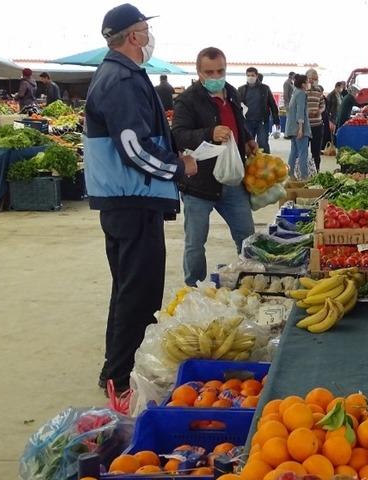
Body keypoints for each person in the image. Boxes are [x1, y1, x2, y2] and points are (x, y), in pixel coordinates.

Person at [83, 3, 198, 394]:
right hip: (131, 200)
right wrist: (179, 167)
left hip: (124, 200)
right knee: (138, 292)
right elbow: (134, 147)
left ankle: (114, 371)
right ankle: (120, 379)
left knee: (128, 289)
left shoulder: (117, 74)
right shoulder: (121, 80)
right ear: (134, 36)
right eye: (145, 31)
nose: (149, 38)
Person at [172, 47, 258, 287]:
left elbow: (238, 121)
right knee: (196, 243)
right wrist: (209, 133)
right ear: (199, 72)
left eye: (220, 70)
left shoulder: (232, 93)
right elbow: (178, 135)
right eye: (209, 72)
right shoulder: (187, 100)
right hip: (200, 184)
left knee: (247, 236)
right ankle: (193, 288)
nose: (215, 76)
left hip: (232, 181)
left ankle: (251, 280)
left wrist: (248, 138)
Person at [237, 67, 279, 154]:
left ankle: (266, 164)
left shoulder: (265, 88)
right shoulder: (241, 89)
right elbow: (237, 106)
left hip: (262, 122)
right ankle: (249, 164)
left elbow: (272, 104)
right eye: (248, 75)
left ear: (256, 76)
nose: (250, 77)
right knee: (249, 145)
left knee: (263, 144)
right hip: (247, 122)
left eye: (252, 75)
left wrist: (276, 120)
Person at [285, 74, 313, 179]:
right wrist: (301, 128)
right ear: (303, 84)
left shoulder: (295, 92)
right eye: (307, 82)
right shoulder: (301, 93)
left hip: (291, 127)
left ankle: (290, 174)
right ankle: (304, 176)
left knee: (294, 152)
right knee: (303, 153)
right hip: (299, 128)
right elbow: (300, 112)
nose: (308, 84)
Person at [305, 69, 326, 170]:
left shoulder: (319, 91)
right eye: (311, 78)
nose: (314, 81)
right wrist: (306, 113)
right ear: (307, 79)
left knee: (316, 152)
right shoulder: (302, 90)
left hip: (317, 125)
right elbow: (297, 106)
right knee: (302, 152)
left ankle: (316, 172)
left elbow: (322, 105)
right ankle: (303, 172)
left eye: (316, 79)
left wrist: (319, 111)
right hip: (304, 126)